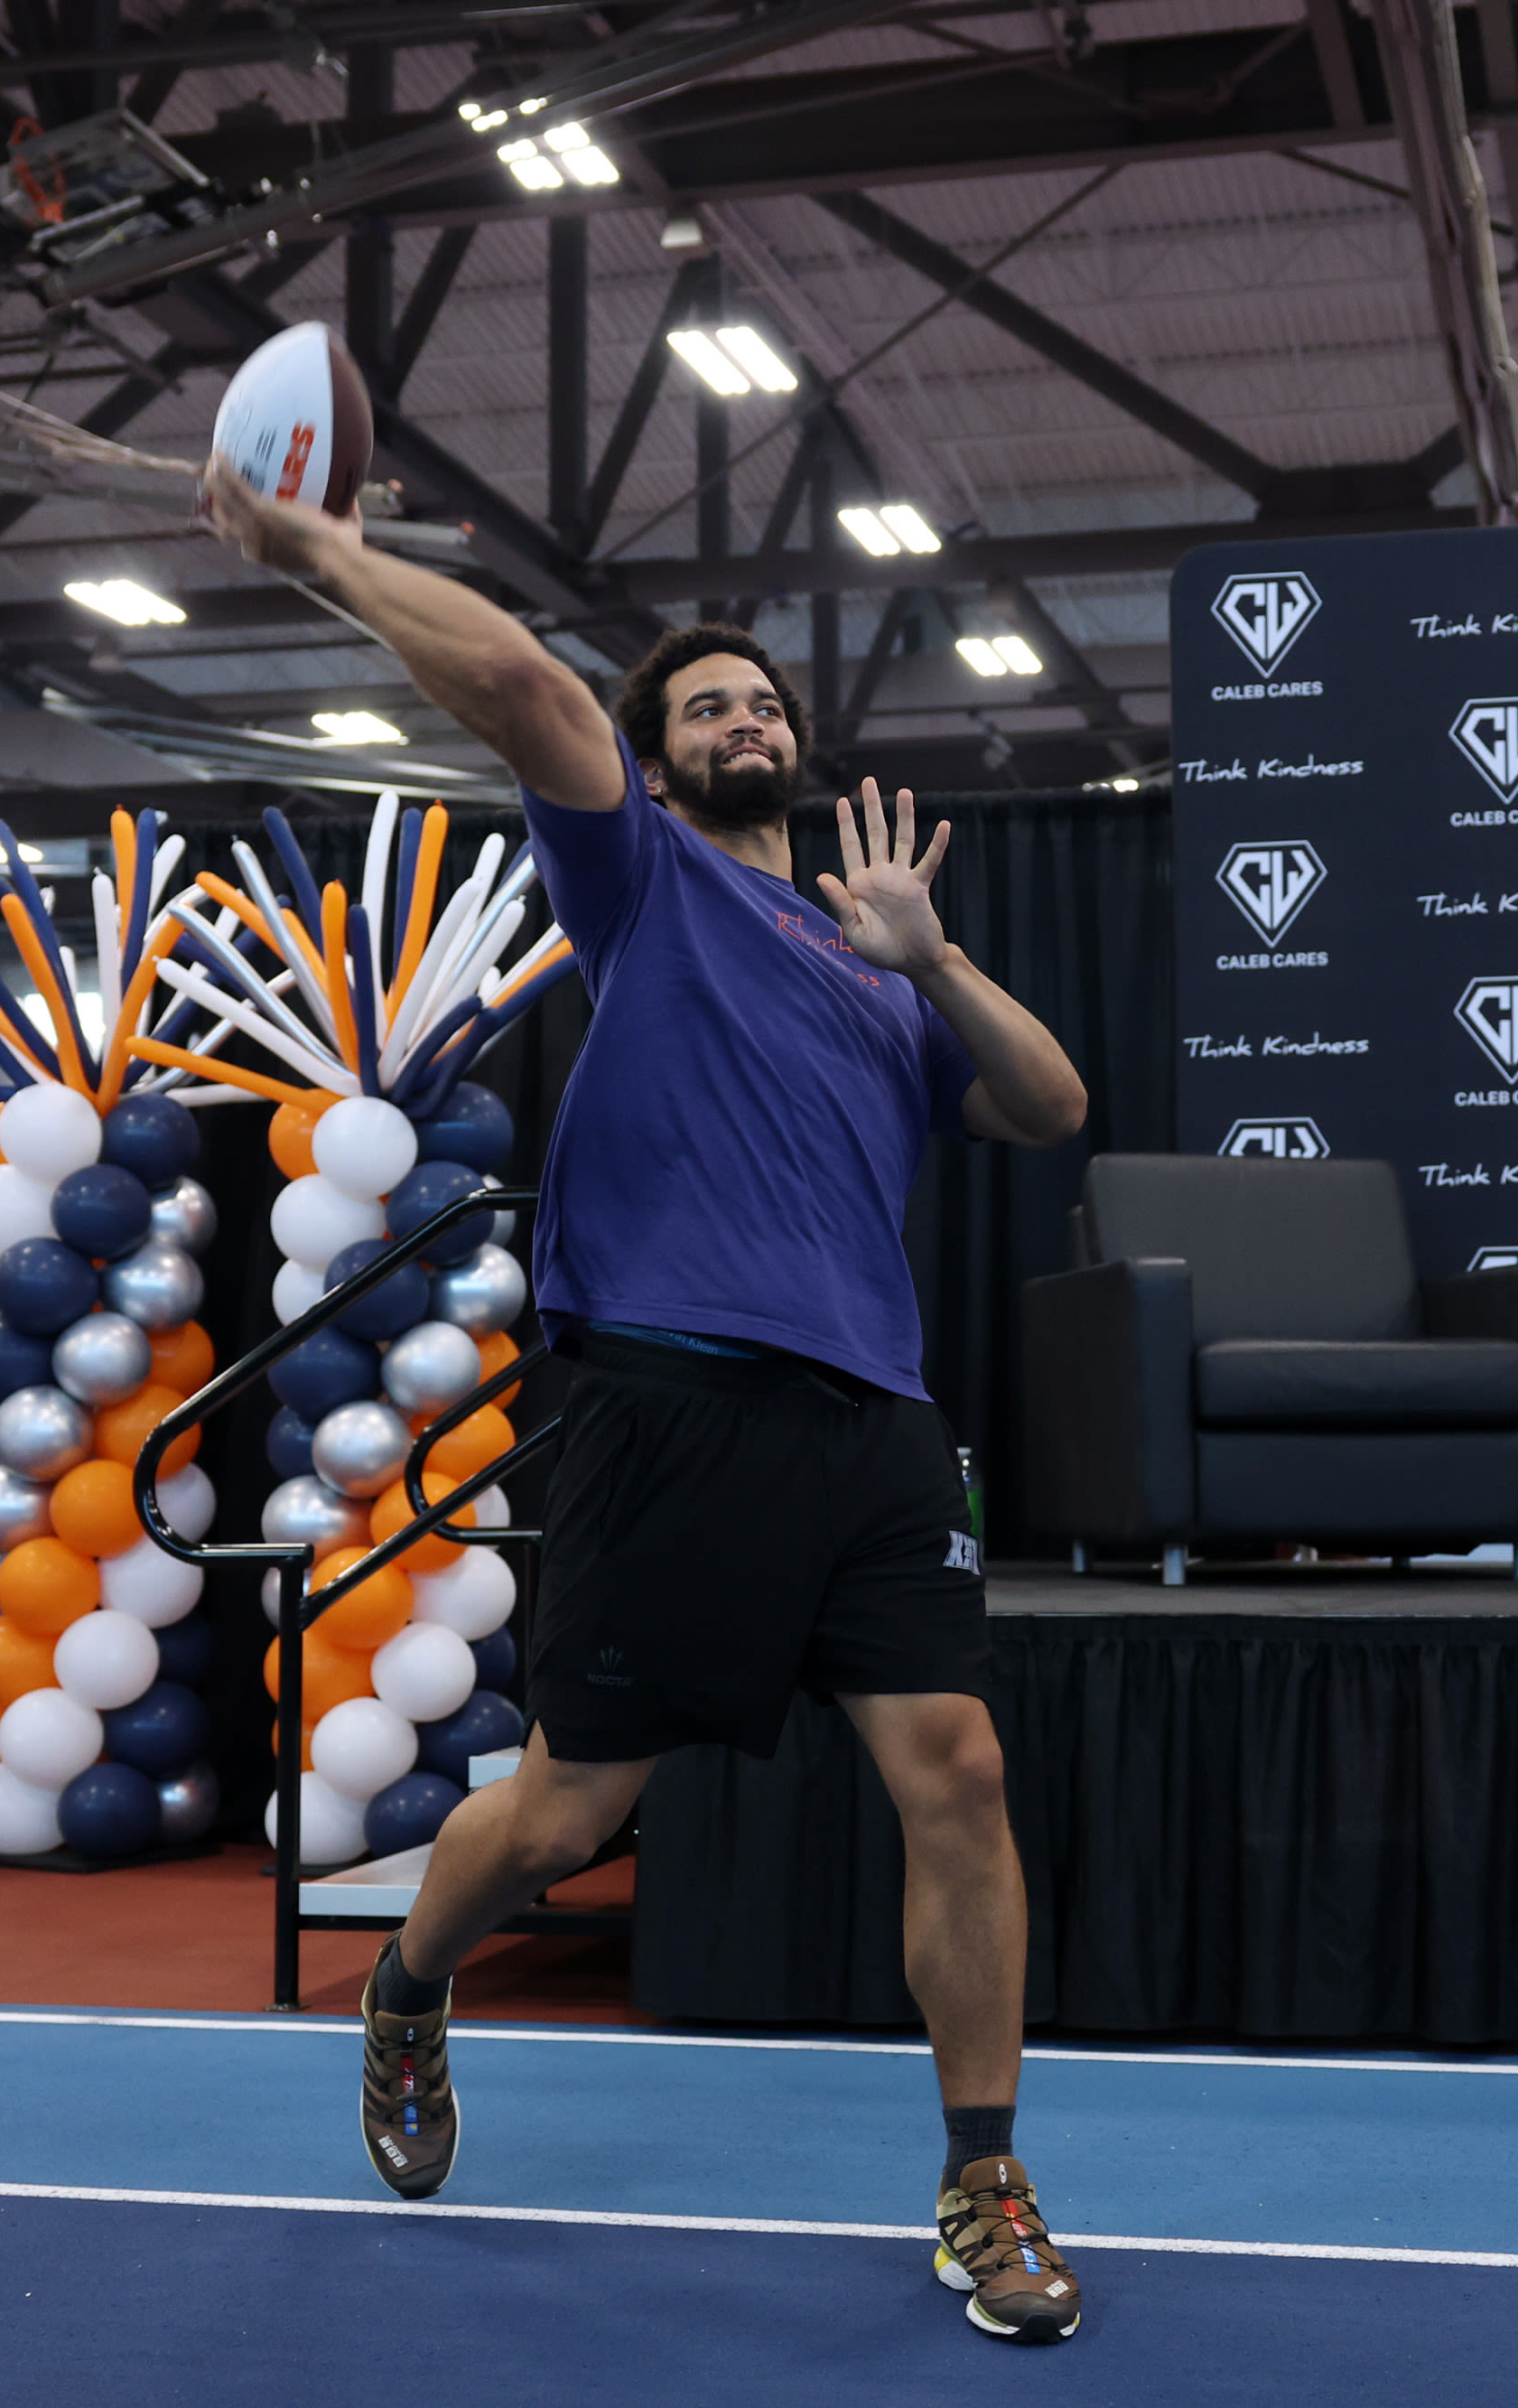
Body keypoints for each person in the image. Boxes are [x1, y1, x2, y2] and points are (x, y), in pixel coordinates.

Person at [201, 470, 1094, 2342]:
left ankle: (980, 2178)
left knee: (962, 1773)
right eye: (703, 709)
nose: (743, 719)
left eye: (761, 701)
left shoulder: (874, 959)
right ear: (661, 766)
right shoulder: (643, 879)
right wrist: (322, 554)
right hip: (659, 1408)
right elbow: (527, 694)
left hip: (865, 1417)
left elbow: (1047, 1108)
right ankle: (412, 1986)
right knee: (565, 1811)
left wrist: (932, 962)